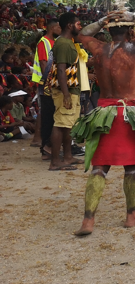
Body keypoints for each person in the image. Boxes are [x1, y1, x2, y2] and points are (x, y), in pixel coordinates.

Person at [71, 8, 135, 236]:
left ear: (108, 31)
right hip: (129, 112)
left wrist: (100, 21)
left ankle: (88, 221)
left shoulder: (98, 48)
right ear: (129, 30)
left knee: (99, 167)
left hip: (104, 112)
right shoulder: (134, 46)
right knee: (132, 167)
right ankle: (131, 216)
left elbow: (81, 34)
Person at [47, 12, 84, 171]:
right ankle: (55, 161)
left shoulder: (69, 43)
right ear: (70, 25)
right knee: (61, 123)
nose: (80, 27)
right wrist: (66, 94)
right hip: (65, 91)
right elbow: (61, 70)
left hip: (71, 89)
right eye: (78, 24)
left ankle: (67, 156)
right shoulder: (63, 43)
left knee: (68, 125)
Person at [33, 19, 61, 158]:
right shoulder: (44, 42)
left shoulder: (53, 42)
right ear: (53, 28)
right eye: (59, 28)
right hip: (46, 83)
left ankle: (49, 145)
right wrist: (50, 83)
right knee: (48, 115)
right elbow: (44, 64)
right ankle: (46, 147)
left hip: (50, 83)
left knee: (52, 114)